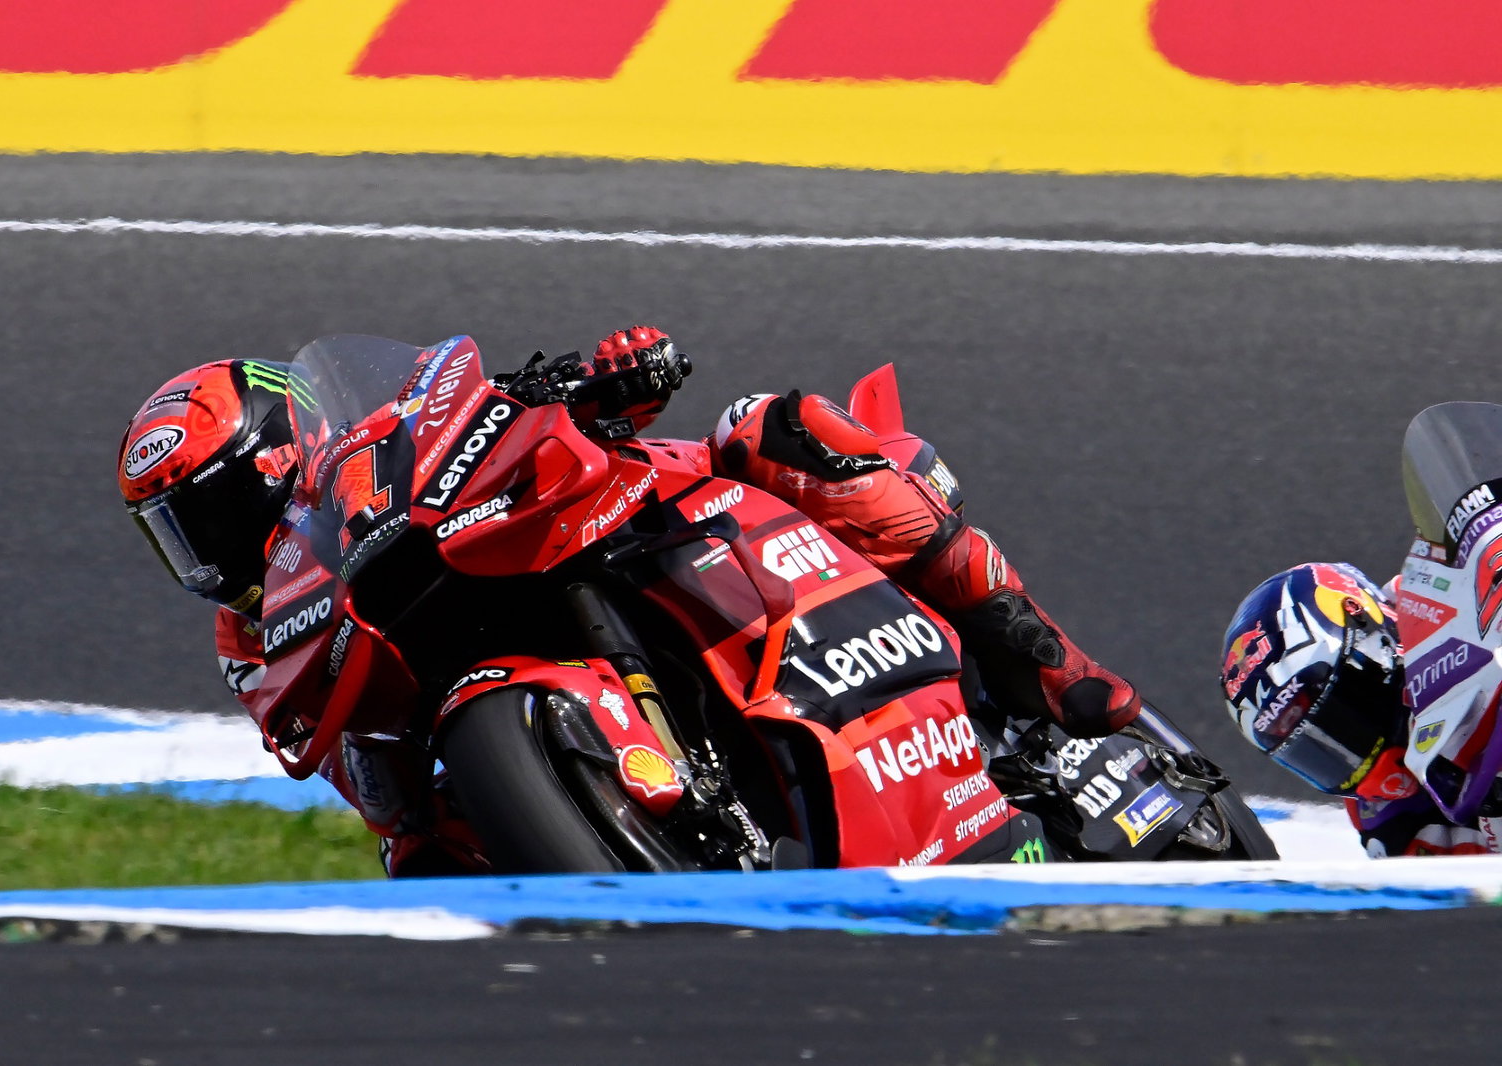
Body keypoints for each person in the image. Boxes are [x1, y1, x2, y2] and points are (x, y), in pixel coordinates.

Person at [118, 327, 1143, 876]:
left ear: (280, 451)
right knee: (423, 855)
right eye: (177, 535)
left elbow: (501, 414)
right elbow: (364, 777)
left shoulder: (374, 456)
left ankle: (1047, 662)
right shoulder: (253, 639)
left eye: (211, 511)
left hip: (653, 513)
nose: (207, 551)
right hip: (462, 699)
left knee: (774, 426)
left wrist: (602, 380)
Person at [1221, 561, 1498, 855]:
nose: (1351, 754)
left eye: (1343, 717)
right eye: (1311, 751)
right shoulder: (1385, 818)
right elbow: (1453, 873)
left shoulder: (1448, 596)